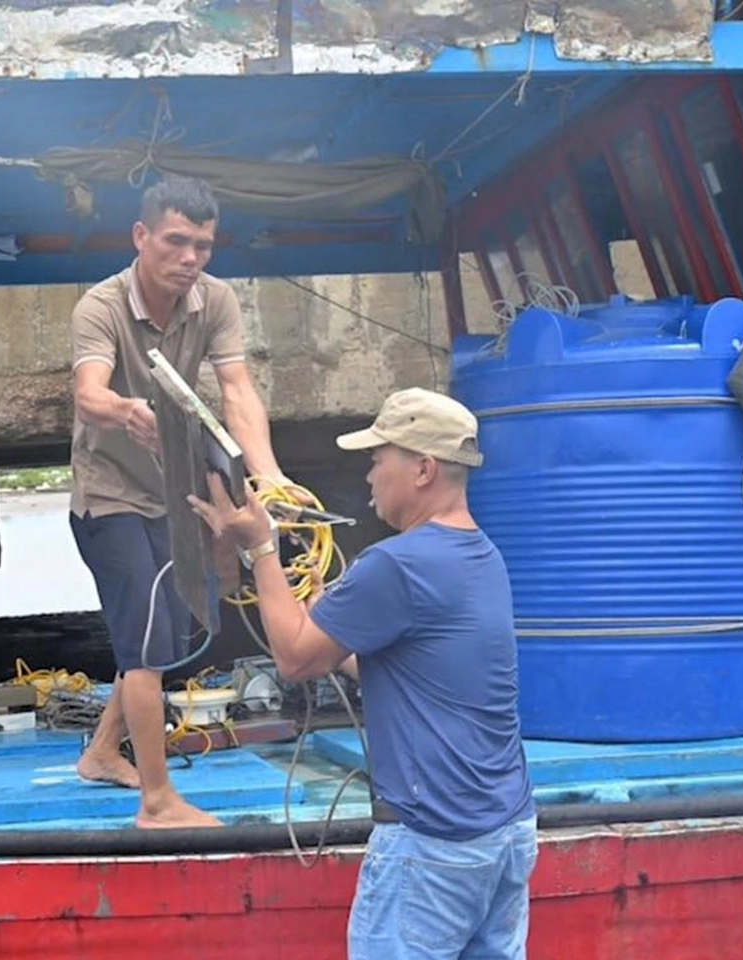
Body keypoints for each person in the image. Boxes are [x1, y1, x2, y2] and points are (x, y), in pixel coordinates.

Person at [187, 387, 538, 960]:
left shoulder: (397, 564)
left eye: (379, 459)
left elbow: (296, 662)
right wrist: (335, 620)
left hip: (432, 841)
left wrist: (261, 549)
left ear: (423, 469)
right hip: (504, 831)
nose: (370, 475)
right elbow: (402, 663)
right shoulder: (481, 556)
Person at [69, 175, 293, 829]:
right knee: (145, 646)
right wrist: (123, 410)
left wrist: (271, 476)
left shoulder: (214, 301)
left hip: (171, 493)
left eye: (202, 245)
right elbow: (88, 392)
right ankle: (157, 802)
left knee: (166, 630)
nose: (189, 257)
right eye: (175, 241)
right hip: (107, 496)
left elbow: (238, 391)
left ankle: (103, 751)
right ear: (141, 236)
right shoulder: (100, 306)